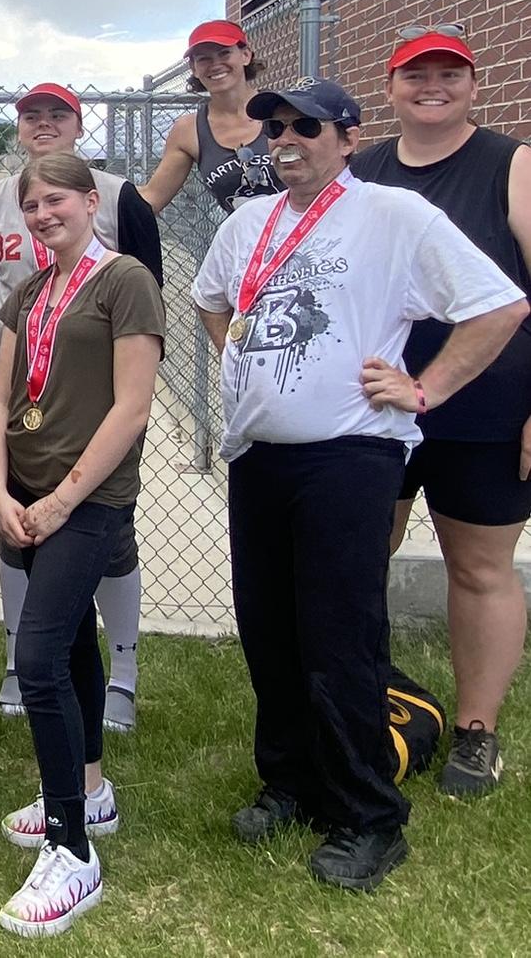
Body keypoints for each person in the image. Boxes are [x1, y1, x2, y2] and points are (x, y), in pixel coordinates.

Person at [192, 79, 527, 891]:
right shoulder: (248, 224)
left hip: (349, 457)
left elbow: (498, 306)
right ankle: (291, 782)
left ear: (347, 138)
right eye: (275, 127)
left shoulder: (392, 216)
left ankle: (369, 814)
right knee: (270, 632)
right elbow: (212, 304)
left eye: (307, 126)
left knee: (340, 639)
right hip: (261, 457)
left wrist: (427, 389)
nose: (286, 139)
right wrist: (251, 370)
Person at [0, 152, 164, 938]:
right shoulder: (32, 288)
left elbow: (131, 407)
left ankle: (72, 849)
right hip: (26, 496)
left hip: (86, 501)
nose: (43, 214)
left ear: (92, 202)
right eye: (31, 205)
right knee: (77, 649)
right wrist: (0, 493)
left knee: (41, 658)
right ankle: (89, 789)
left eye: (56, 200)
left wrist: (59, 499)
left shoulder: (124, 282)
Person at [351, 30, 531, 797]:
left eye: (448, 73)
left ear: (472, 84)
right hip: (373, 405)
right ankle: (362, 703)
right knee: (358, 556)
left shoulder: (509, 164)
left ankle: (476, 731)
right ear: (390, 87)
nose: (433, 86)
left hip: (486, 405)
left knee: (481, 566)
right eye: (415, 74)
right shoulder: (363, 170)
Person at [0, 84, 162, 727]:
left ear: (79, 125)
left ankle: (124, 672)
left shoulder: (117, 194)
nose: (43, 125)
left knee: (108, 539)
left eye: (57, 115)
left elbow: (144, 288)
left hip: (94, 392)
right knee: (17, 529)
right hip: (17, 378)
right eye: (31, 116)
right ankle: (18, 662)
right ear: (17, 128)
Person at [139, 20, 283, 216]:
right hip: (245, 243)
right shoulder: (189, 130)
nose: (215, 65)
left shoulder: (283, 109)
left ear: (245, 55)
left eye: (224, 53)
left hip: (307, 235)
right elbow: (152, 198)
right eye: (204, 59)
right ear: (194, 68)